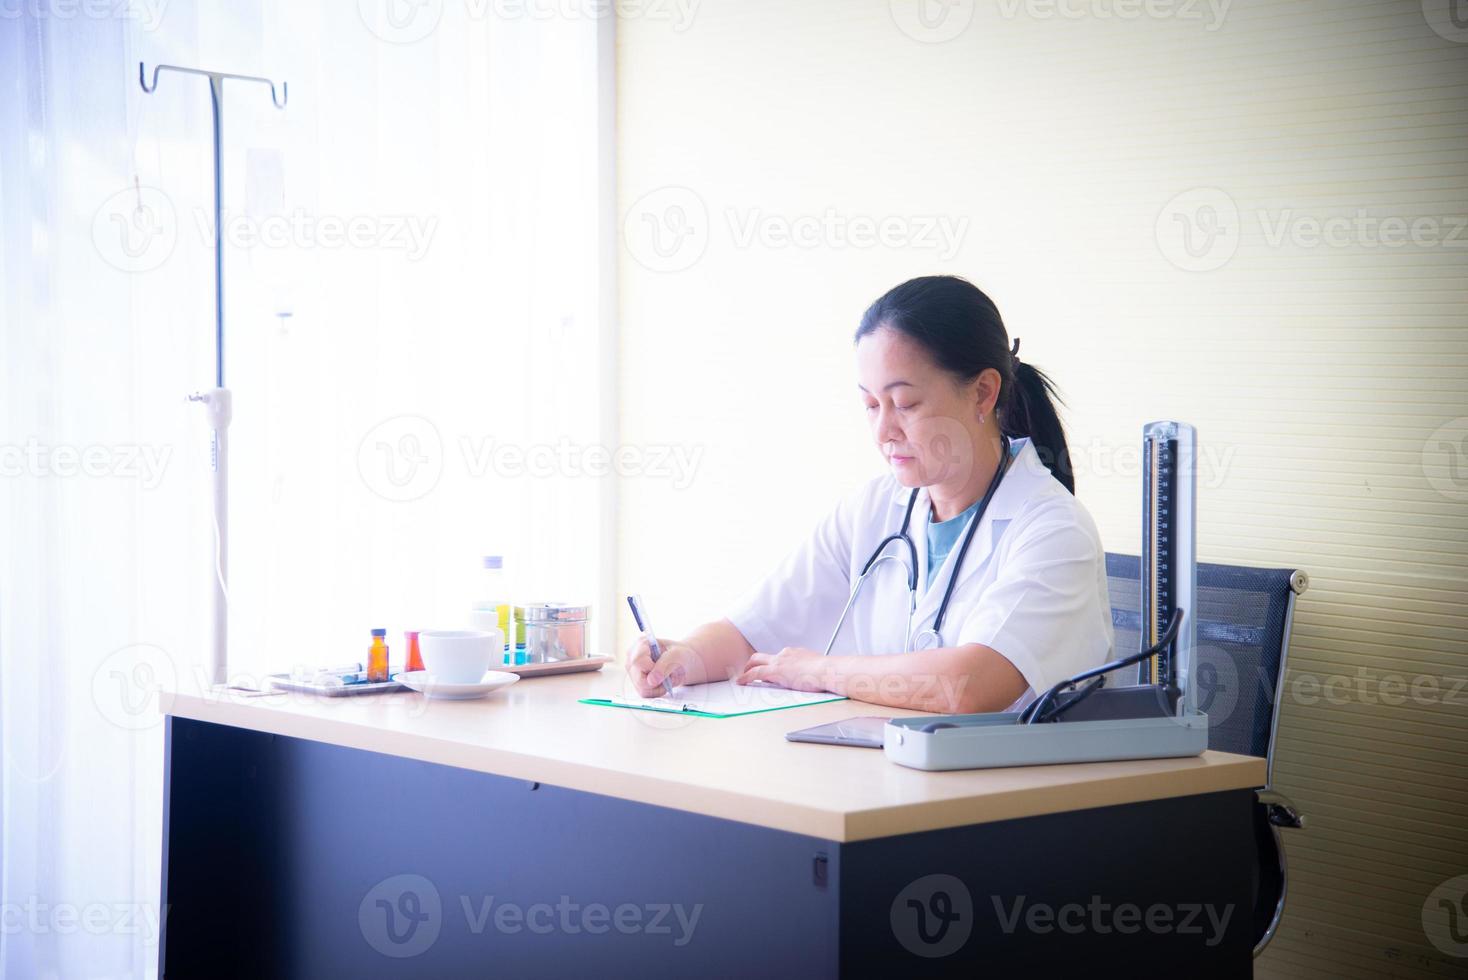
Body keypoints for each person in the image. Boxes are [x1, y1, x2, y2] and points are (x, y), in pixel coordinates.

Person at [624, 275, 1113, 714]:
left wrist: (818, 671)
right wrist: (683, 658)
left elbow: (968, 686)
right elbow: (749, 631)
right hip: (888, 783)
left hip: (1013, 800)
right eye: (871, 404)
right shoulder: (873, 511)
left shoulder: (1053, 528)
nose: (884, 430)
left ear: (984, 393)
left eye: (905, 403)